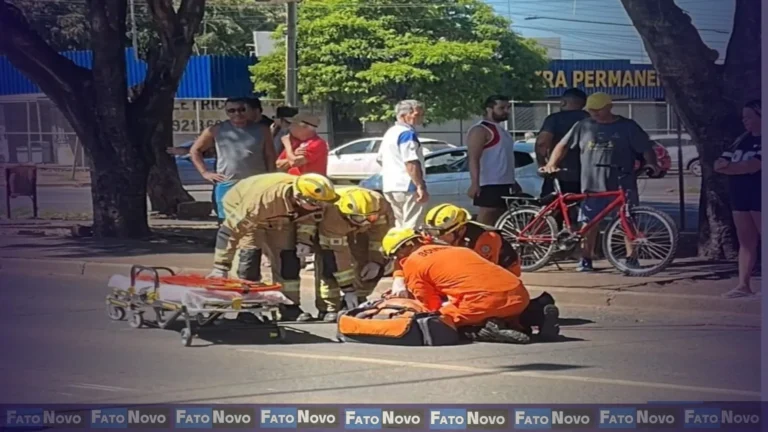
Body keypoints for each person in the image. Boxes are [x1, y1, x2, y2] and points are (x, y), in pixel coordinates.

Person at [542, 92, 660, 272]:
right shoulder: (583, 125)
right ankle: (585, 258)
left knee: (627, 220)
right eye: (591, 110)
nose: (594, 113)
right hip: (592, 182)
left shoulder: (627, 126)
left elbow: (645, 148)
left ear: (609, 107)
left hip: (622, 181)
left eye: (598, 110)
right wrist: (551, 163)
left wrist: (652, 163)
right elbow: (562, 145)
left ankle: (632, 259)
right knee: (589, 223)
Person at [206, 172, 339, 321]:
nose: (320, 207)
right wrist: (221, 266)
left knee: (288, 260)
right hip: (244, 207)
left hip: (282, 218)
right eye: (316, 203)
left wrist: (303, 241)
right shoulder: (258, 203)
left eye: (323, 203)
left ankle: (289, 305)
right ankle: (249, 308)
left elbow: (308, 220)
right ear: (298, 196)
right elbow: (229, 232)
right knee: (249, 259)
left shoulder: (315, 201)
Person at [420, 203, 560, 340]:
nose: (435, 238)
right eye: (432, 233)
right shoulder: (441, 238)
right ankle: (524, 316)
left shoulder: (486, 238)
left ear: (460, 229)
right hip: (479, 276)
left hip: (503, 272)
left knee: (482, 307)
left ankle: (536, 312)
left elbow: (484, 273)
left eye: (440, 234)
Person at [381, 228, 540, 344]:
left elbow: (430, 305)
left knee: (436, 321)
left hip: (484, 303)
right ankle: (533, 314)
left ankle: (484, 330)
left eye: (396, 256)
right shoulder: (456, 249)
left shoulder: (413, 263)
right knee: (496, 306)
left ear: (402, 251)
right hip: (520, 296)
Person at [295, 187, 394, 322]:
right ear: (346, 214)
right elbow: (338, 256)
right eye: (360, 218)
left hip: (363, 229)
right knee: (328, 265)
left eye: (370, 217)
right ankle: (329, 307)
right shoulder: (333, 215)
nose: (366, 221)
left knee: (372, 263)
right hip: (331, 231)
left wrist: (376, 261)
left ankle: (358, 298)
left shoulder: (378, 205)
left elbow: (381, 238)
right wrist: (348, 289)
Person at [190, 97, 276, 224]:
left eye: (242, 110)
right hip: (227, 183)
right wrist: (205, 173)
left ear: (247, 110)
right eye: (232, 110)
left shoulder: (262, 129)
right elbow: (195, 150)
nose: (237, 114)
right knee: (226, 224)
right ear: (226, 112)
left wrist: (271, 179)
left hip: (256, 184)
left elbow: (270, 155)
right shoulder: (216, 129)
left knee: (256, 223)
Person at [715, 99, 762, 298]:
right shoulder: (741, 139)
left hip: (759, 193)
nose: (745, 121)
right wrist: (734, 169)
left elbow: (754, 165)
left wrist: (731, 169)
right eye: (743, 117)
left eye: (749, 117)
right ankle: (743, 285)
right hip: (740, 195)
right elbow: (718, 164)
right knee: (746, 241)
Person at [535, 88, 589, 227]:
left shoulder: (555, 119)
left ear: (563, 101)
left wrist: (543, 164)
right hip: (585, 176)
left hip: (558, 173)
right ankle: (580, 244)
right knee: (585, 214)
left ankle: (546, 242)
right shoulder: (590, 119)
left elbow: (542, 143)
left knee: (550, 211)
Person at [466, 95, 520, 226]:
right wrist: (475, 183)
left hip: (504, 182)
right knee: (487, 215)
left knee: (500, 218)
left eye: (508, 108)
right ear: (489, 109)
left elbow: (504, 158)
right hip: (489, 182)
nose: (506, 111)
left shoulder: (503, 131)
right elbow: (473, 158)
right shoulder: (481, 130)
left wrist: (513, 181)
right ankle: (476, 243)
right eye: (502, 108)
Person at [377, 100, 429, 229]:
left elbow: (380, 159)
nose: (420, 119)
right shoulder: (407, 134)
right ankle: (411, 249)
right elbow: (411, 161)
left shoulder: (390, 133)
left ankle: (398, 248)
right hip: (407, 186)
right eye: (417, 115)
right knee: (412, 227)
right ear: (404, 115)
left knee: (400, 226)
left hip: (390, 185)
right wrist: (420, 186)